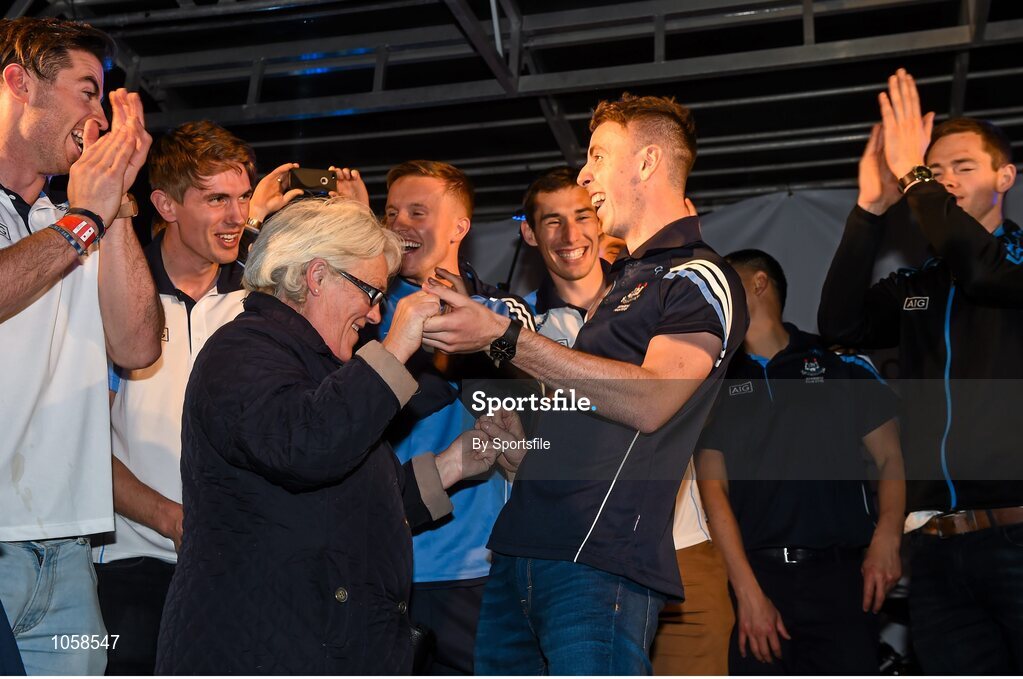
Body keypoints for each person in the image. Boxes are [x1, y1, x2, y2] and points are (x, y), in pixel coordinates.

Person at [419, 93, 748, 675]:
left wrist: (504, 337)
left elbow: (654, 401)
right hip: (519, 551)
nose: (585, 174)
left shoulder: (698, 275)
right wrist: (528, 457)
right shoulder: (623, 283)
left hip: (596, 565)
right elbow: (600, 423)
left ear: (647, 162)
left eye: (598, 155)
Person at [154, 197, 510, 675]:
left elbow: (347, 504)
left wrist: (454, 464)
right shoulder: (242, 349)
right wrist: (396, 346)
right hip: (263, 651)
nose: (375, 315)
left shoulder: (321, 372)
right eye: (371, 293)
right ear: (316, 276)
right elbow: (309, 448)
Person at [818, 68, 1023, 674]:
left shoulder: (1013, 261)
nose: (945, 181)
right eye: (934, 171)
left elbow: (982, 273)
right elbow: (840, 326)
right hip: (934, 546)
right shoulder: (919, 283)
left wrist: (912, 177)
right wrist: (869, 210)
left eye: (963, 167)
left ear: (1004, 177)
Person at [91, 120, 304, 675]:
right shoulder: (108, 288)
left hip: (245, 568)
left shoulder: (261, 302)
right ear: (164, 204)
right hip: (130, 565)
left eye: (241, 198)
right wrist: (170, 518)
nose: (237, 217)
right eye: (216, 200)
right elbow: (80, 445)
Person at [518, 166, 734, 675]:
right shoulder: (521, 327)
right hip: (579, 561)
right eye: (552, 221)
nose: (571, 235)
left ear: (604, 221)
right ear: (529, 233)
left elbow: (681, 414)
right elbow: (514, 446)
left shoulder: (664, 293)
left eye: (583, 215)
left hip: (683, 548)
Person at [0, 17, 161, 675]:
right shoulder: (72, 223)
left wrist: (115, 203)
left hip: (66, 554)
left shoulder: (75, 218)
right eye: (86, 90)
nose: (99, 115)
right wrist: (83, 218)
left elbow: (138, 345)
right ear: (18, 83)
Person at [356, 160, 530, 675]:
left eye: (418, 211)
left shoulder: (503, 313)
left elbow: (509, 407)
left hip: (471, 565)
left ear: (460, 227)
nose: (400, 223)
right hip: (379, 559)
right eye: (389, 212)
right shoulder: (365, 309)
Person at [697, 249, 904, 675]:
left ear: (758, 283)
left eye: (724, 284)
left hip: (843, 577)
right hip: (757, 581)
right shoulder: (711, 385)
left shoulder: (839, 364)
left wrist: (887, 539)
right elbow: (712, 490)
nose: (712, 297)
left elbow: (892, 459)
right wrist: (749, 594)